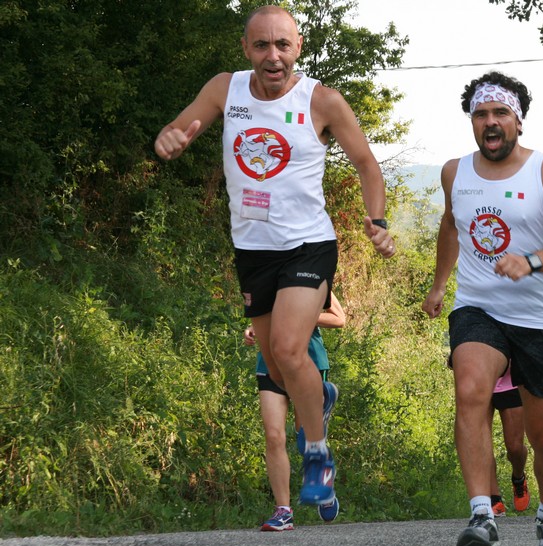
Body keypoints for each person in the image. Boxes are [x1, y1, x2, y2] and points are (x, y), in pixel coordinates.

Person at [153, 6, 396, 512]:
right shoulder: (226, 88)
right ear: (246, 49)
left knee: (288, 348)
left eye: (282, 45)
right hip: (252, 249)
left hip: (309, 244)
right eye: (262, 45)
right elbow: (180, 128)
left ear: (299, 47)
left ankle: (318, 455)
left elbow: (367, 163)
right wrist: (169, 139)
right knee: (284, 368)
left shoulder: (322, 101)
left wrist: (378, 221)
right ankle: (320, 395)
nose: (273, 56)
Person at [421, 72, 543, 546]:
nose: (490, 122)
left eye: (500, 114)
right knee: (470, 390)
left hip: (541, 317)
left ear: (519, 120)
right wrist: (439, 285)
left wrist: (531, 261)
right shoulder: (455, 172)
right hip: (479, 306)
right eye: (481, 114)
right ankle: (481, 514)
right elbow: (452, 227)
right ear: (471, 122)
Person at [246, 293, 345, 530]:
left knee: (306, 441)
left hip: (307, 361)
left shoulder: (308, 276)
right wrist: (253, 328)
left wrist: (302, 315)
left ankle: (324, 483)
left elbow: (338, 318)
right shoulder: (264, 279)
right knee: (273, 436)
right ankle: (283, 511)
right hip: (268, 364)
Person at [488, 367, 531, 515]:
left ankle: (518, 479)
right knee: (482, 445)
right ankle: (494, 498)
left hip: (510, 382)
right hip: (480, 383)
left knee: (515, 448)